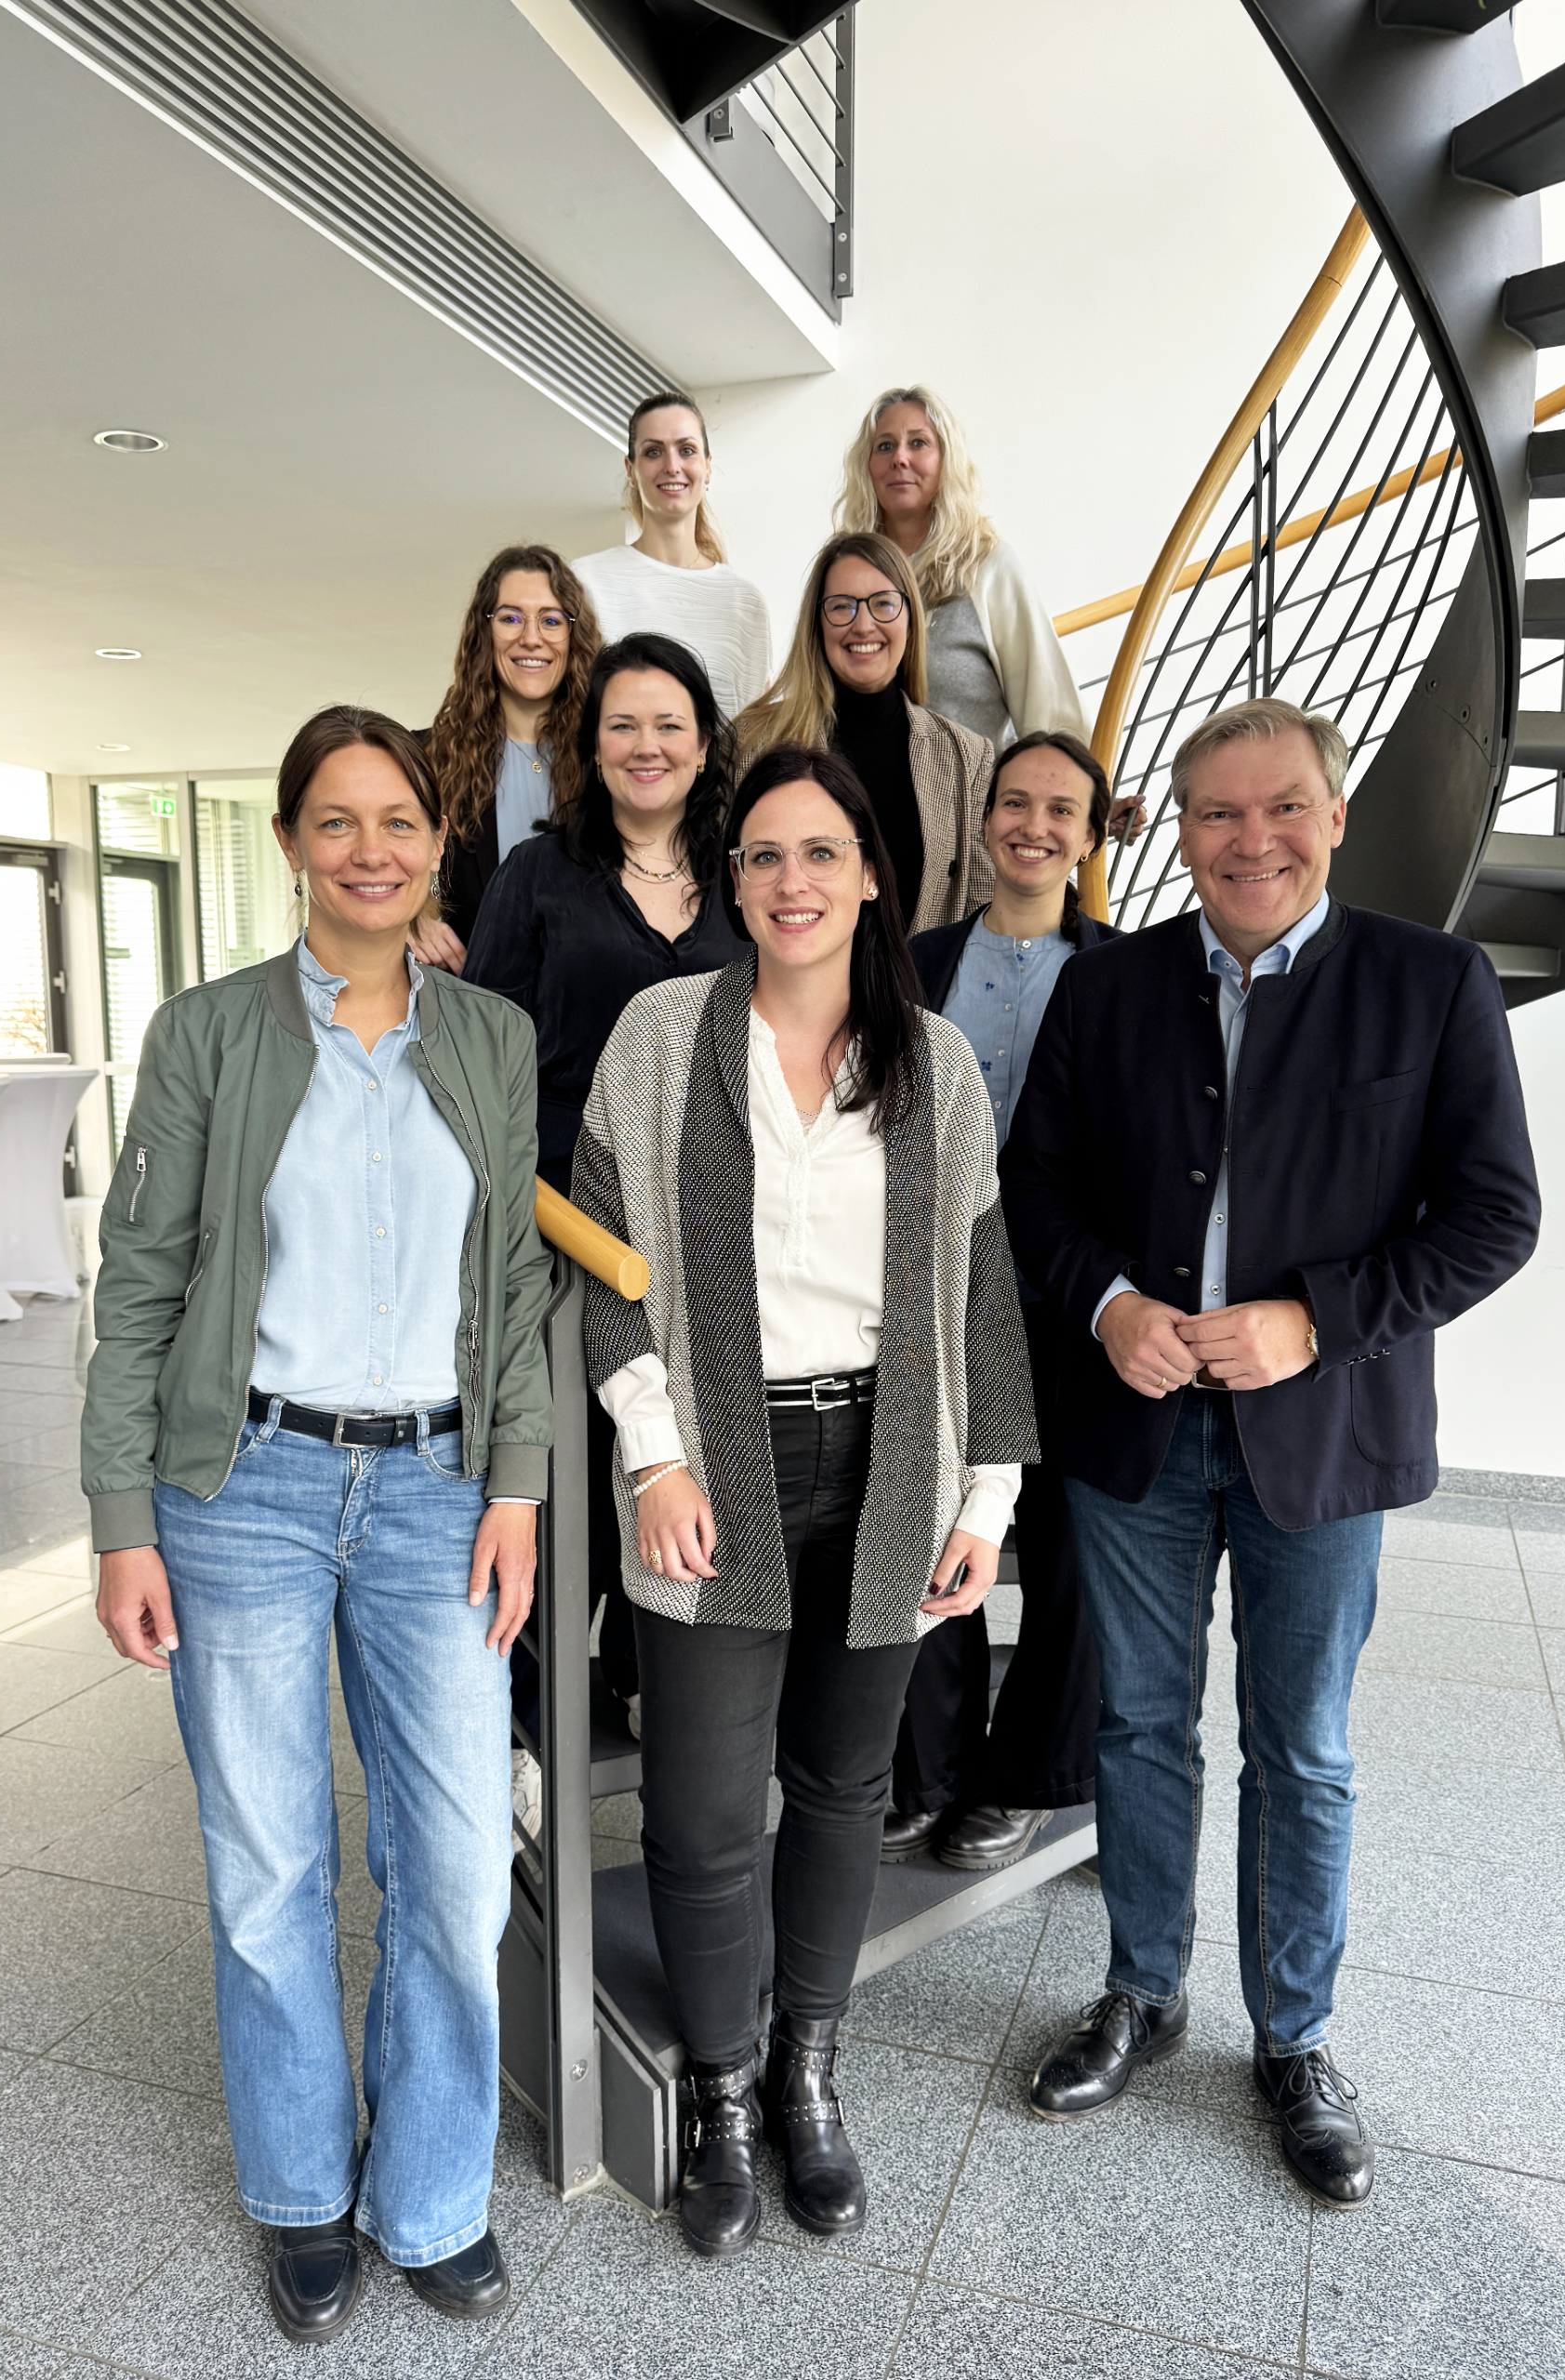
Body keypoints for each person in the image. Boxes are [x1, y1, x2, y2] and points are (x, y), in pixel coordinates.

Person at [1000, 695, 1540, 2210]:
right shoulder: (1105, 988)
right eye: (1218, 813)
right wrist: (1107, 1305)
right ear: (1177, 833)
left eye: (1282, 806)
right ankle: (1143, 1990)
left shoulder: (1431, 983)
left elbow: (1493, 1217)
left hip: (1324, 1437)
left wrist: (1315, 1320)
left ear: (1335, 815)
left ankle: (1292, 2038)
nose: (1252, 840)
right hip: (1134, 1426)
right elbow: (1032, 1187)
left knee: (1299, 1745)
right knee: (1135, 1726)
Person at [84, 707, 552, 2340]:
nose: (370, 850)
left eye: (398, 821)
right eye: (336, 821)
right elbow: (139, 1285)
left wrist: (516, 1482)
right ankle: (299, 2192)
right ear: (289, 841)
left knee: (455, 1869)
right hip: (246, 1493)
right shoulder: (206, 1034)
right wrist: (120, 1518)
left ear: (436, 843)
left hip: (436, 1490)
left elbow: (513, 1281)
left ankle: (428, 2193)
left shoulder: (489, 1038)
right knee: (265, 1866)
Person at [573, 744, 1037, 2260]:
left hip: (889, 1460)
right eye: (764, 854)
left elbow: (980, 1289)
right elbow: (598, 1257)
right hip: (712, 1464)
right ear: (731, 879)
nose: (791, 881)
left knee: (841, 1790)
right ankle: (717, 2092)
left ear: (869, 878)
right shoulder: (659, 1038)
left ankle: (805, 2074)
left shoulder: (933, 1063)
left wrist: (985, 1498)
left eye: (821, 852)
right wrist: (652, 1454)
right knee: (704, 1815)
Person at [463, 630, 743, 1723]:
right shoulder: (538, 874)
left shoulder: (745, 872)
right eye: (622, 724)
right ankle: (530, 1728)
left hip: (709, 1228)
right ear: (589, 744)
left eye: (669, 723)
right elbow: (481, 1050)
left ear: (704, 742)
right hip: (561, 1228)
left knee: (685, 1459)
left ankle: (657, 1691)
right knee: (562, 1479)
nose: (646, 744)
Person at [883, 730, 1114, 1873]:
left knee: (1075, 1550)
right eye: (1014, 803)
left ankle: (1031, 1777)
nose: (1033, 825)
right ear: (983, 822)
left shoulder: (1126, 973)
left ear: (1091, 835)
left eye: (1061, 809)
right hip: (938, 1293)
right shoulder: (915, 960)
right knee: (929, 1522)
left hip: (1075, 1307)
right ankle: (926, 1772)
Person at [736, 531, 995, 934]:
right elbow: (726, 898)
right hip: (784, 973)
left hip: (926, 977)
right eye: (842, 607)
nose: (863, 625)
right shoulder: (753, 743)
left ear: (910, 617)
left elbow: (988, 910)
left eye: (883, 604)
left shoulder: (967, 756)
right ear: (817, 623)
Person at [835, 384, 1085, 750]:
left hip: (976, 787)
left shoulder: (988, 566)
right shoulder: (844, 573)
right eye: (885, 446)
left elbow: (1049, 711)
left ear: (946, 460)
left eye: (918, 443)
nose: (899, 458)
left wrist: (1077, 784)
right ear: (866, 466)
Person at [412, 544, 601, 972]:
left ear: (574, 637)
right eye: (511, 618)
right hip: (472, 1000)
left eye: (551, 620)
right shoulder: (427, 759)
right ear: (485, 632)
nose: (530, 637)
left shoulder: (609, 762)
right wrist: (409, 918)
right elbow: (375, 863)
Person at [575, 391, 772, 723]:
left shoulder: (745, 603)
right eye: (653, 452)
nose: (672, 466)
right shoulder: (587, 581)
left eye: (687, 450)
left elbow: (755, 735)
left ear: (707, 467)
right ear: (631, 470)